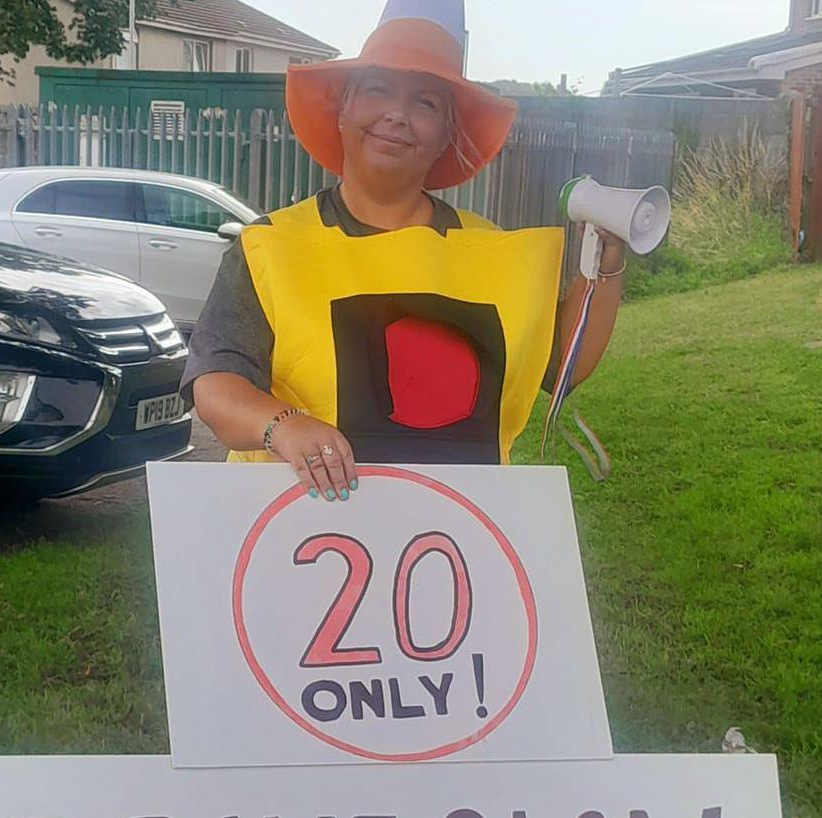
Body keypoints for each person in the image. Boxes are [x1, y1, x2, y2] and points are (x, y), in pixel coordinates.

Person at [186, 0, 630, 500]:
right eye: (378, 89)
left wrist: (606, 265)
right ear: (343, 108)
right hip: (295, 537)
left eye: (426, 103)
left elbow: (558, 369)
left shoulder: (491, 253)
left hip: (454, 532)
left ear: (447, 135)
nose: (396, 115)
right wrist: (283, 426)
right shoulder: (271, 247)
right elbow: (216, 385)